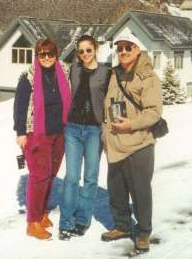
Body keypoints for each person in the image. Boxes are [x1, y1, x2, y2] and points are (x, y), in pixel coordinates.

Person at [101, 30, 163, 255]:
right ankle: (122, 226)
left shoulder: (148, 77)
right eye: (120, 48)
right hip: (115, 142)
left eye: (129, 47)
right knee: (116, 189)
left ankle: (144, 232)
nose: (124, 52)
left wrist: (130, 124)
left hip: (139, 143)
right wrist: (104, 133)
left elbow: (154, 113)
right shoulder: (114, 73)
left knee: (140, 191)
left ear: (138, 50)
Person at [13, 38, 71, 240]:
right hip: (36, 133)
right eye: (42, 54)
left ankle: (43, 212)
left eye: (50, 53)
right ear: (36, 55)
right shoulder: (27, 77)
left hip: (59, 132)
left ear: (57, 54)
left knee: (50, 174)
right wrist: (20, 133)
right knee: (39, 176)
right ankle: (33, 222)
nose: (46, 57)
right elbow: (19, 108)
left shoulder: (64, 71)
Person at [59, 34, 111, 240]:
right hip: (72, 128)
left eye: (88, 50)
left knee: (90, 177)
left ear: (95, 49)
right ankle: (66, 222)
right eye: (80, 51)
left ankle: (82, 219)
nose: (84, 54)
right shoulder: (73, 69)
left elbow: (113, 98)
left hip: (93, 130)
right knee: (71, 177)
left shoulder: (106, 72)